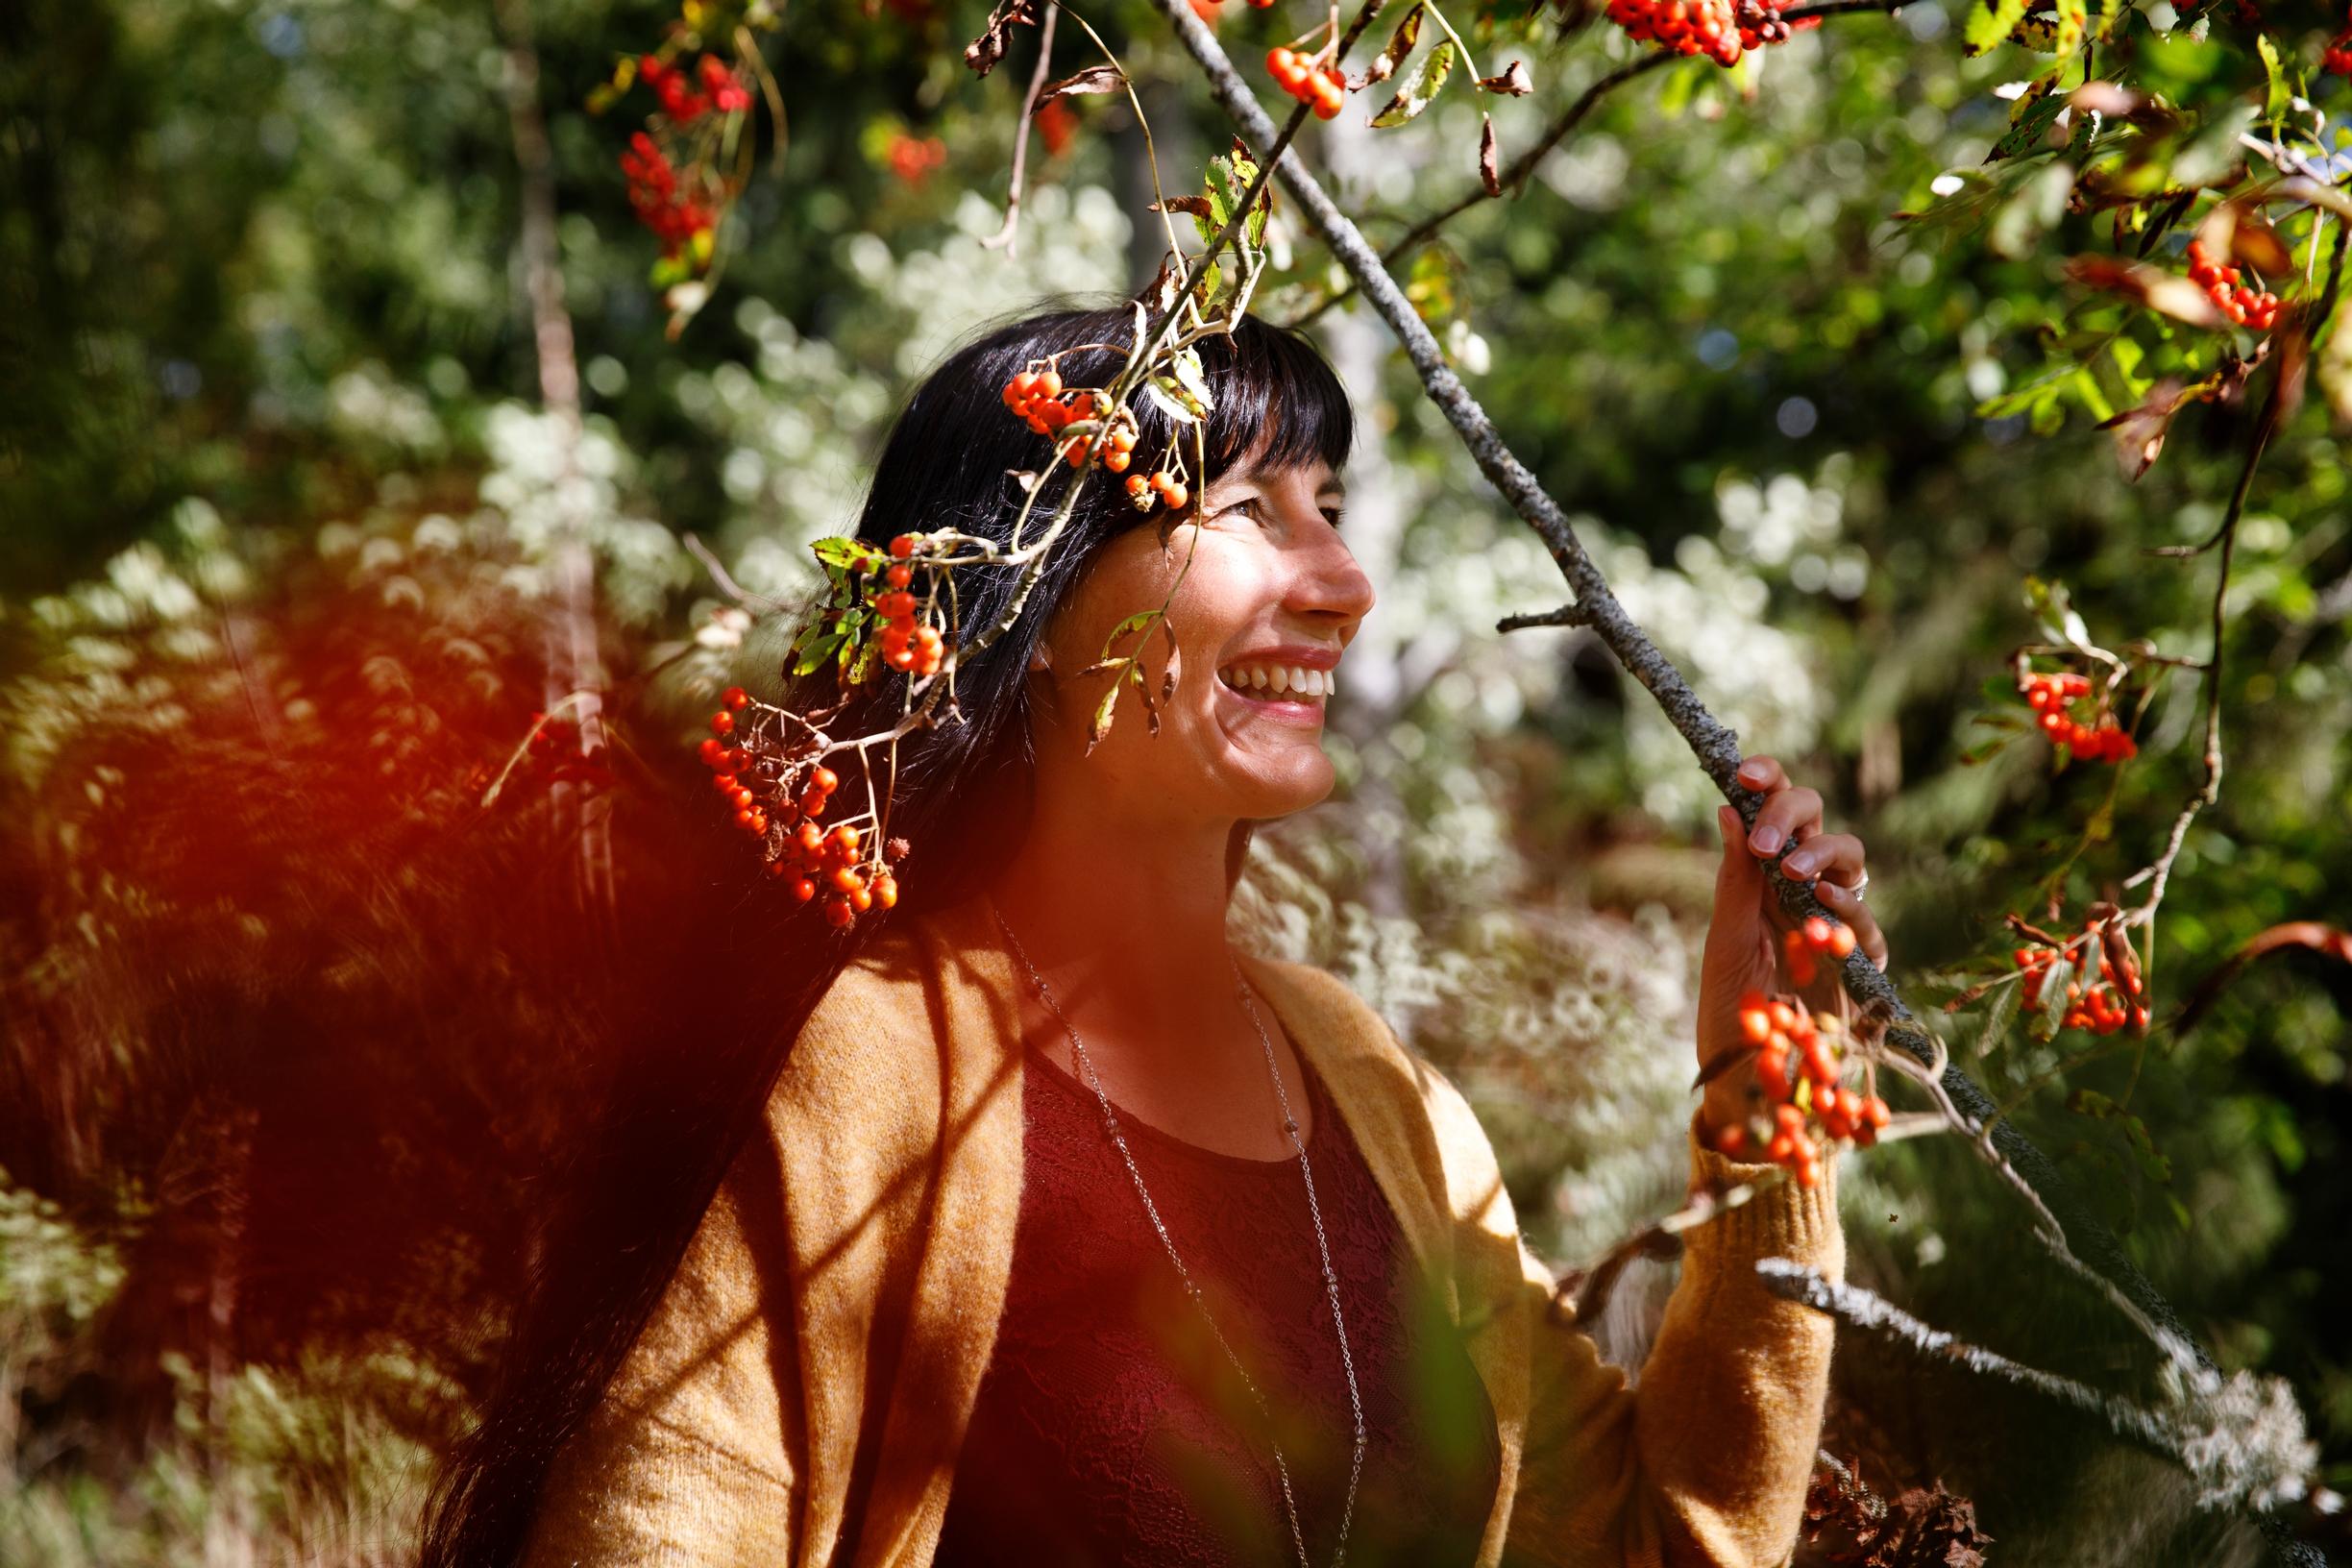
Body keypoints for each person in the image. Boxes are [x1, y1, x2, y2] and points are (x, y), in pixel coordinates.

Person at [419, 306, 1881, 1567]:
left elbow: (1651, 1544)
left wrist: (1768, 1101)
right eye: (1247, 511)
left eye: (1331, 505)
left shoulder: (1374, 1092)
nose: (1344, 582)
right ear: (1036, 600)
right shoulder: (867, 1069)